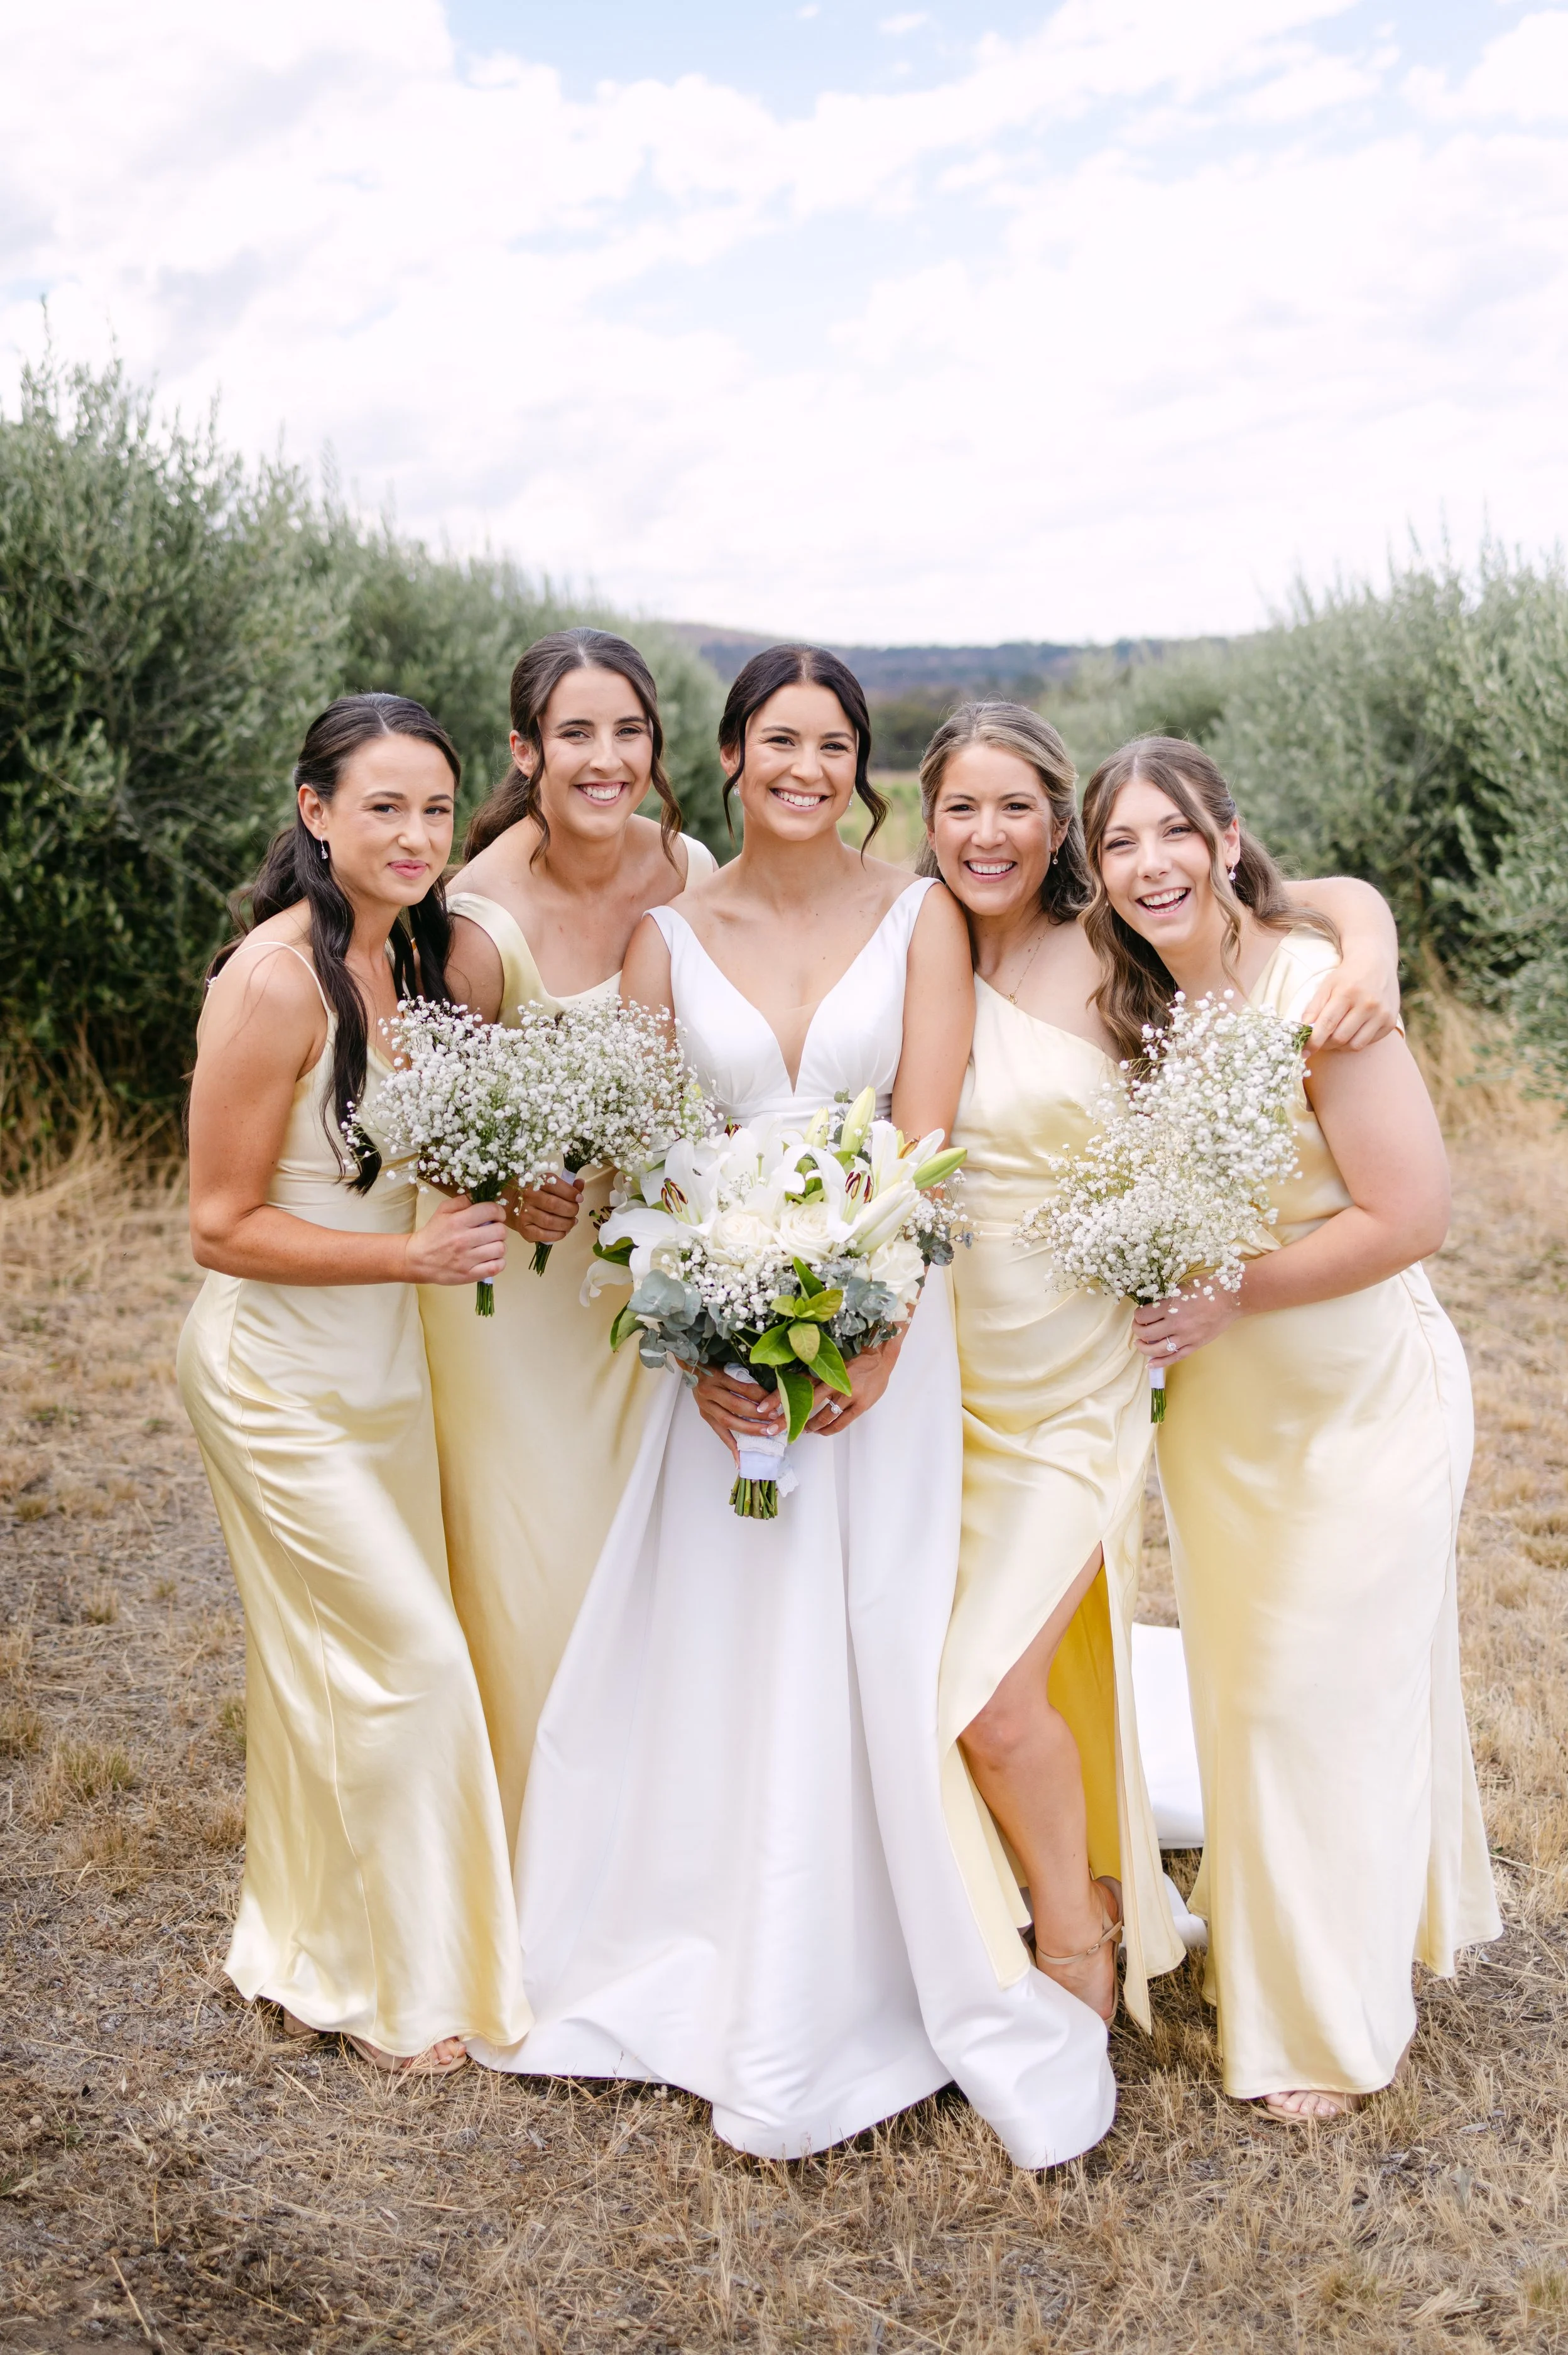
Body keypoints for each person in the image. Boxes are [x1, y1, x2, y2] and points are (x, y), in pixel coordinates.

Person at [473, 648, 1118, 2169]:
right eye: (781, 741)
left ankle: (884, 1960)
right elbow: (635, 1155)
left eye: (835, 744)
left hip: (885, 1328)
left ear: (860, 766)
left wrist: (874, 1329)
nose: (808, 768)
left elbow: (927, 1141)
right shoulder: (661, 938)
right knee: (723, 1625)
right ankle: (696, 1942)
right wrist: (683, 1311)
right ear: (729, 756)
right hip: (713, 1337)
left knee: (872, 1627)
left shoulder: (919, 920)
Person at [920, 703, 1407, 2031]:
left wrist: (1369, 942)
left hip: (1078, 1375)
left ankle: (1080, 1944)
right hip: (941, 1375)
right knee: (935, 1666)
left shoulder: (1110, 949)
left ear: (1053, 827)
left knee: (990, 1689)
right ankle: (1053, 1896)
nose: (987, 833)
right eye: (960, 807)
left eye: (1017, 806)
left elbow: (1304, 899)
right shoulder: (912, 944)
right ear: (925, 822)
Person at [1081, 733, 1501, 2122]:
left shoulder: (1315, 990)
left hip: (1358, 1402)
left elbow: (1410, 1215)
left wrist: (1230, 1290)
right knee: (1254, 1705)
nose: (1147, 864)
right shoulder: (1130, 1005)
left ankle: (1324, 2024)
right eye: (1118, 842)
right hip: (1223, 1423)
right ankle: (1289, 1955)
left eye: (1170, 833)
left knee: (1328, 1697)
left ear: (1222, 836)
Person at [178, 694, 528, 2073]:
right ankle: (394, 1981)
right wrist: (416, 1259)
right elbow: (216, 1223)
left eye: (435, 807)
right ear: (316, 811)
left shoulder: (414, 959)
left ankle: (313, 1935)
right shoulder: (273, 978)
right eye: (382, 804)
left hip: (380, 1371)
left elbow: (415, 1168)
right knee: (408, 1660)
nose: (415, 833)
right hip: (276, 1376)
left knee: (335, 1664)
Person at [423, 629, 718, 1850]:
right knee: (537, 1566)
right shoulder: (477, 913)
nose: (606, 758)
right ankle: (530, 1848)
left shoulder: (691, 864)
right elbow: (431, 1125)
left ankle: (652, 1839)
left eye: (628, 731)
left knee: (650, 1567)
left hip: (645, 1277)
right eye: (577, 733)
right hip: (521, 1303)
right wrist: (504, 1174)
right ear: (526, 749)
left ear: (655, 747)